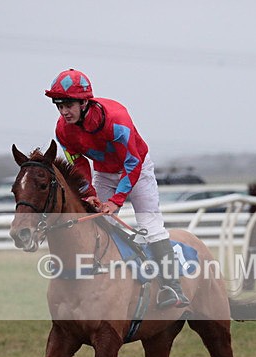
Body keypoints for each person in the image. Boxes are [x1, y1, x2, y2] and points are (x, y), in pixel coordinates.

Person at [44, 68, 189, 309]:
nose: (63, 111)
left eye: (68, 104)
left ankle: (171, 287)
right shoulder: (62, 130)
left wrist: (117, 201)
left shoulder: (117, 120)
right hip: (104, 173)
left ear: (84, 102)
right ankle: (105, 279)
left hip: (137, 170)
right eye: (58, 105)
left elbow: (132, 163)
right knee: (100, 222)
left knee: (150, 226)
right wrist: (89, 193)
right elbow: (78, 163)